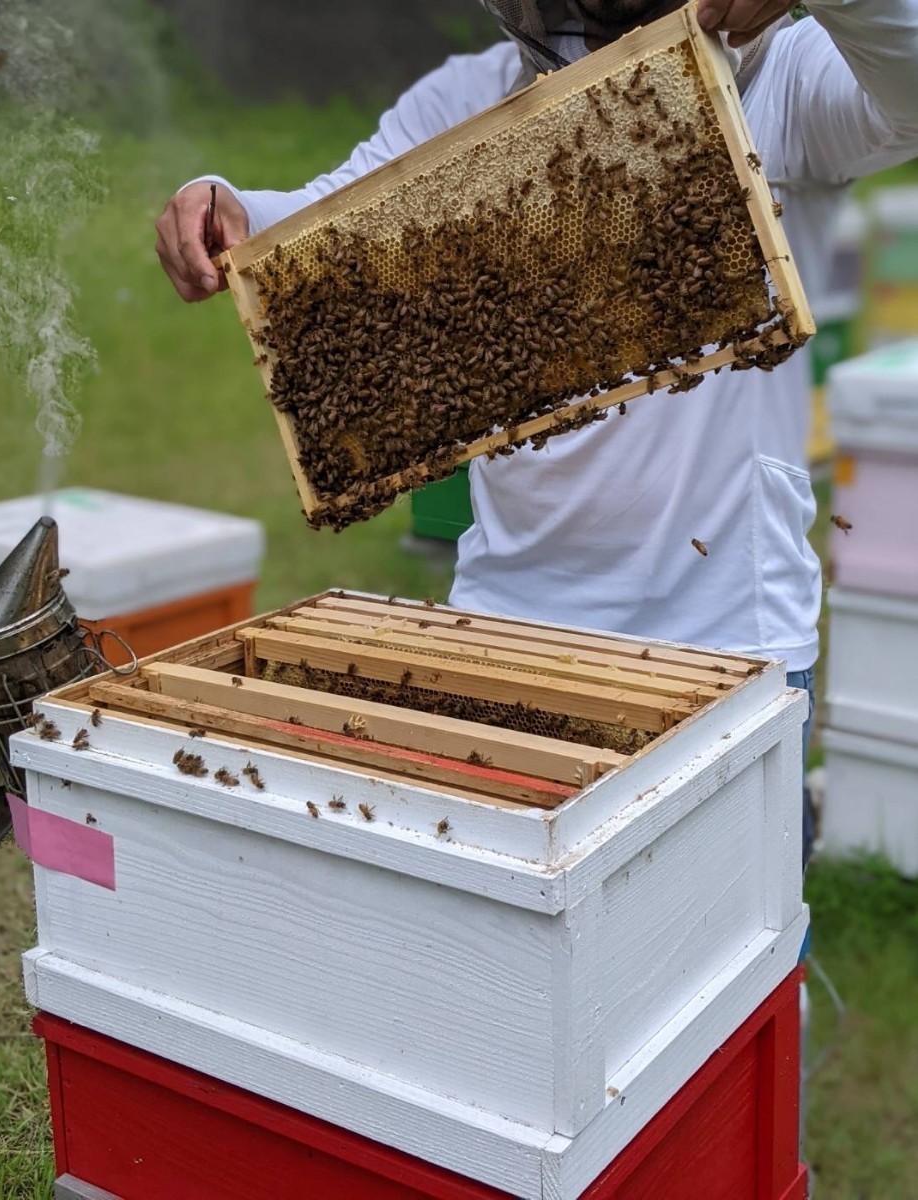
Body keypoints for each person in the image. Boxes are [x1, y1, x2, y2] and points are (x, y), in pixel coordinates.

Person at [155, 0, 918, 868]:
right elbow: (316, 218)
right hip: (510, 622)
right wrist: (226, 207)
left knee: (728, 951)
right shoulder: (464, 100)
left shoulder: (782, 77)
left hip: (725, 631)